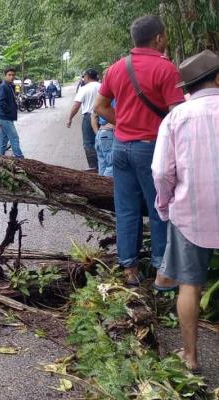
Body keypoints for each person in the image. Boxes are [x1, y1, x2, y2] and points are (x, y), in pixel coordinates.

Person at [93, 15, 186, 286]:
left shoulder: (117, 67)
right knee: (160, 208)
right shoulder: (166, 69)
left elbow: (99, 107)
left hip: (121, 147)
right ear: (158, 38)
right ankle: (161, 271)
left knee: (126, 210)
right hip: (151, 148)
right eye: (165, 36)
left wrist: (125, 123)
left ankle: (129, 270)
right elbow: (176, 116)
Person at [151, 50, 219, 374]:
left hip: (192, 214)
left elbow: (162, 173)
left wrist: (164, 205)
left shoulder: (176, 118)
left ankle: (190, 358)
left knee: (189, 284)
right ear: (218, 78)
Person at [66, 69, 101, 171]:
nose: (83, 78)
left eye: (84, 76)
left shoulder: (85, 89)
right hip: (104, 117)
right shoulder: (103, 86)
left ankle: (94, 167)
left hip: (89, 117)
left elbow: (76, 105)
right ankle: (102, 165)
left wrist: (70, 118)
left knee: (89, 143)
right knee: (102, 140)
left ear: (87, 76)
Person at [0, 68, 24, 158]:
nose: (11, 77)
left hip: (3, 118)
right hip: (4, 118)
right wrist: (9, 111)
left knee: (3, 141)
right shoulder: (3, 86)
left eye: (13, 75)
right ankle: (20, 159)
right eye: (9, 75)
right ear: (5, 76)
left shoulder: (9, 86)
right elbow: (1, 102)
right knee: (14, 138)